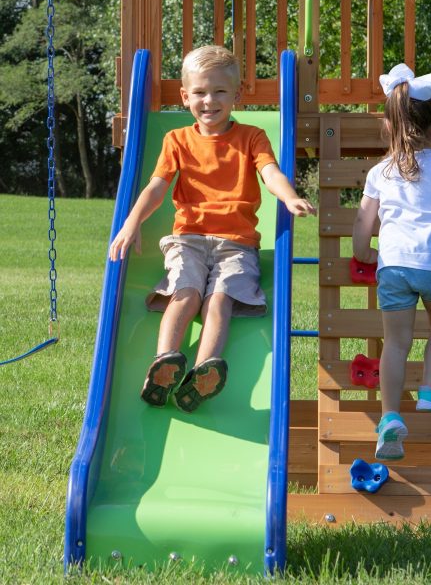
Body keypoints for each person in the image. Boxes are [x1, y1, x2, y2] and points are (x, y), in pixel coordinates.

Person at [109, 45, 316, 413]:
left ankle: (204, 372)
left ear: (236, 96)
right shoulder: (176, 140)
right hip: (187, 240)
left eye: (220, 91)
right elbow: (157, 186)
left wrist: (288, 197)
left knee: (218, 301)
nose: (210, 101)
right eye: (200, 93)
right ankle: (165, 364)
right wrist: (132, 221)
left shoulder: (252, 137)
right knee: (186, 295)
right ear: (186, 96)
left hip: (236, 245)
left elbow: (270, 172)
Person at [352, 63, 431, 460]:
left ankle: (390, 418)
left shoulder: (379, 172)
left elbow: (363, 221)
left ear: (389, 126)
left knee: (396, 342)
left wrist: (362, 253)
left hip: (393, 269)